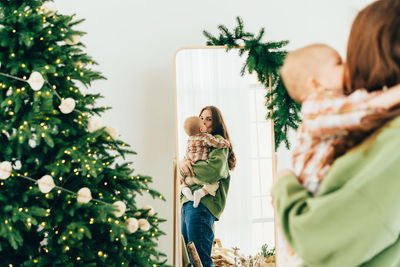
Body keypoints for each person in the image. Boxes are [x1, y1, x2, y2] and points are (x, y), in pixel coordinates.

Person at [272, 0, 400, 266]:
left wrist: (283, 184)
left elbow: (312, 237)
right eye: (339, 62)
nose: (348, 66)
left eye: (346, 57)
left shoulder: (391, 136)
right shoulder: (325, 107)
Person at [280, 43, 400, 194]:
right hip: (313, 189)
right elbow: (364, 109)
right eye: (338, 63)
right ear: (316, 84)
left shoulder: (336, 103)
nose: (347, 65)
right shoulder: (314, 108)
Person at [180, 106, 236, 267]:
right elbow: (181, 168)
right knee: (189, 260)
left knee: (201, 260)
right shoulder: (194, 142)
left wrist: (187, 171)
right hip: (186, 203)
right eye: (202, 117)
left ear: (216, 123)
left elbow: (212, 171)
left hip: (202, 205)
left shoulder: (217, 142)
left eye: (209, 119)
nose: (203, 121)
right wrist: (183, 163)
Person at [180, 116, 230, 208]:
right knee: (214, 184)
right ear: (201, 128)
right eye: (202, 119)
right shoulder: (205, 137)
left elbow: (187, 155)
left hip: (190, 175)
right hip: (200, 169)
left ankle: (184, 189)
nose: (204, 122)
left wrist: (184, 165)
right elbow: (217, 143)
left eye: (209, 119)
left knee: (184, 183)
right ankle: (200, 193)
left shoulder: (189, 140)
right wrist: (226, 143)